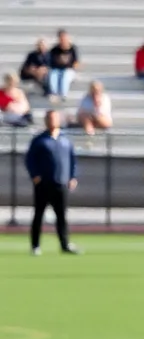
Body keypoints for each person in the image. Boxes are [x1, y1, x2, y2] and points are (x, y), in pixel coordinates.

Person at [25, 110, 78, 256]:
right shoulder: (39, 140)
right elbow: (30, 159)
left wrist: (72, 177)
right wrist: (35, 175)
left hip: (60, 184)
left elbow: (73, 160)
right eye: (49, 118)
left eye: (54, 118)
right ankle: (35, 245)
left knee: (61, 216)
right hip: (43, 184)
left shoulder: (65, 140)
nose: (51, 121)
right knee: (38, 215)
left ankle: (65, 244)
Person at [47, 30, 80, 102]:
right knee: (53, 74)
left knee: (65, 75)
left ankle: (63, 94)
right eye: (61, 38)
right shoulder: (54, 49)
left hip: (69, 69)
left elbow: (76, 62)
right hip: (57, 69)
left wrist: (74, 66)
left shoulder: (73, 49)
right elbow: (51, 62)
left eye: (64, 38)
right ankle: (54, 93)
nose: (63, 40)